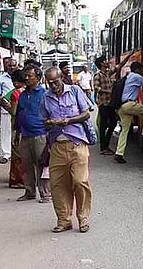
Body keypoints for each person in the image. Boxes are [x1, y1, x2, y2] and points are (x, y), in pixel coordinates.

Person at [40, 67, 92, 233]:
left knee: (80, 181)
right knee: (58, 185)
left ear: (62, 78)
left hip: (77, 143)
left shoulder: (75, 91)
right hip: (57, 146)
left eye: (56, 82)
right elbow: (44, 121)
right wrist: (49, 123)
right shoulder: (45, 98)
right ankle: (64, 220)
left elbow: (86, 114)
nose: (53, 86)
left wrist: (69, 120)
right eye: (50, 83)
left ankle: (83, 218)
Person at [15, 65, 50, 202]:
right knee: (26, 165)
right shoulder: (23, 94)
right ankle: (29, 192)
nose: (27, 78)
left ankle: (45, 193)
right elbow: (19, 113)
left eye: (30, 75)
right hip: (25, 134)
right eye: (26, 76)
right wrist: (17, 132)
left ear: (38, 78)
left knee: (42, 164)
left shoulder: (44, 94)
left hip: (40, 133)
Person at [93, 52, 134, 155]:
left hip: (110, 103)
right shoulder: (98, 75)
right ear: (102, 64)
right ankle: (103, 147)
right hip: (103, 103)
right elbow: (97, 88)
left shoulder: (107, 73)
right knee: (103, 125)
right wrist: (110, 92)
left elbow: (119, 66)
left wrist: (129, 55)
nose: (107, 62)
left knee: (113, 123)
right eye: (105, 61)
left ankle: (106, 145)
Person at [114, 61, 143, 164]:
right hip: (129, 105)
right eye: (141, 69)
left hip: (121, 107)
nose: (142, 71)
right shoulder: (136, 76)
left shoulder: (128, 76)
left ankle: (119, 153)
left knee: (124, 131)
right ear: (137, 69)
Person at [2, 70, 26, 189]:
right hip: (28, 126)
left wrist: (6, 106)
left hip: (17, 126)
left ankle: (18, 180)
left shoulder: (15, 94)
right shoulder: (28, 91)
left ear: (15, 82)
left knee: (17, 154)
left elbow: (14, 112)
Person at [0, 58, 17, 164]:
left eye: (13, 65)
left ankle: (16, 154)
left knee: (17, 133)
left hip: (17, 110)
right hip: (5, 110)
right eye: (9, 65)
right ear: (6, 66)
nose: (11, 67)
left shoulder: (20, 77)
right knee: (5, 132)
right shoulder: (1, 78)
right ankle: (6, 154)